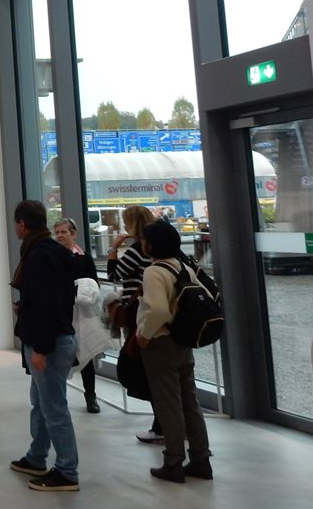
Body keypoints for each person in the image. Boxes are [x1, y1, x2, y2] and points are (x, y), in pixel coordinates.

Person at [9, 199, 80, 492]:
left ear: (22, 225)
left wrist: (40, 347)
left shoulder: (38, 256)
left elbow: (46, 304)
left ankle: (66, 471)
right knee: (41, 403)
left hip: (48, 343)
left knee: (53, 408)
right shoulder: (53, 251)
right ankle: (36, 456)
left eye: (16, 223)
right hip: (56, 337)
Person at [136, 219, 213, 482]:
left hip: (161, 342)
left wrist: (144, 335)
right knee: (190, 400)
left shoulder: (154, 272)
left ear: (151, 244)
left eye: (144, 239)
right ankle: (201, 458)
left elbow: (157, 310)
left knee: (168, 403)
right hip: (183, 341)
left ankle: (173, 461)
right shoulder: (183, 267)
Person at [107, 205, 164, 444]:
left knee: (145, 368)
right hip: (152, 313)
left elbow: (114, 275)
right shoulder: (154, 251)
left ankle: (161, 424)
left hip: (138, 314)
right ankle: (163, 423)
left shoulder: (134, 250)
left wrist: (113, 249)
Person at [54, 218, 106, 413]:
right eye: (57, 232)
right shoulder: (52, 256)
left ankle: (90, 396)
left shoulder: (83, 257)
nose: (60, 235)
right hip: (61, 312)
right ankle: (59, 398)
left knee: (85, 355)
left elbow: (94, 282)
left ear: (73, 234)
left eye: (63, 232)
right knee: (59, 355)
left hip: (81, 312)